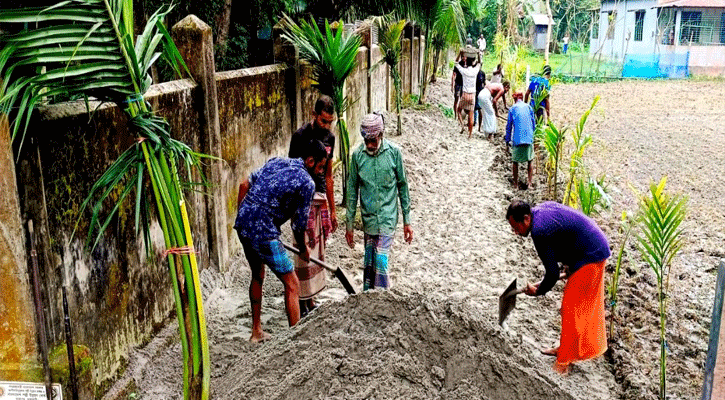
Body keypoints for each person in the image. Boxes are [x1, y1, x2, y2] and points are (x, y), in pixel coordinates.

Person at [234, 140, 328, 343]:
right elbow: (298, 225)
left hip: (243, 223)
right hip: (264, 231)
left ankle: (256, 331)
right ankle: (295, 343)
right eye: (320, 167)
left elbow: (244, 185)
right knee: (292, 283)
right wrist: (303, 249)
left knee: (257, 274)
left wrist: (242, 216)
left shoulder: (278, 161)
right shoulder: (307, 183)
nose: (321, 172)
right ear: (310, 161)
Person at [506, 200, 610, 374]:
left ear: (525, 219)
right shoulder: (539, 212)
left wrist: (538, 291)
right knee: (569, 308)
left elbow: (552, 274)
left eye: (516, 227)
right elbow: (566, 235)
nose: (516, 232)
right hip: (586, 249)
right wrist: (569, 266)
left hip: (591, 255)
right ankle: (565, 348)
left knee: (571, 308)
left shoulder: (539, 232)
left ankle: (564, 361)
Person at [346, 113, 413, 290]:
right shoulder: (357, 157)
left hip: (388, 218)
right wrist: (350, 224)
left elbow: (403, 186)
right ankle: (369, 297)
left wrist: (407, 221)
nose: (369, 145)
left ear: (381, 135)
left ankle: (384, 298)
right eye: (366, 141)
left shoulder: (394, 153)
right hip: (368, 219)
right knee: (369, 262)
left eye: (373, 141)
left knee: (381, 259)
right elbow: (352, 190)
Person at [288, 95, 338, 317]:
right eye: (323, 121)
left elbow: (328, 175)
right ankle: (302, 299)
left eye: (330, 122)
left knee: (318, 249)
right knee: (303, 249)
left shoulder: (330, 139)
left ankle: (312, 298)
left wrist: (333, 208)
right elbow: (292, 171)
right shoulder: (300, 137)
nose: (327, 127)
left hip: (320, 199)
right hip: (302, 199)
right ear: (314, 114)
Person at [505, 92, 536, 189]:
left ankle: (515, 184)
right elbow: (533, 123)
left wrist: (507, 140)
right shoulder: (529, 107)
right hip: (528, 138)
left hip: (517, 139)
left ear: (515, 99)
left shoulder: (512, 109)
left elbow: (509, 127)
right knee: (530, 160)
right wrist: (533, 136)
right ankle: (530, 183)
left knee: (515, 161)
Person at [454, 52, 481, 139]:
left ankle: (462, 125)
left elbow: (456, 63)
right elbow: (480, 63)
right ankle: (470, 135)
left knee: (458, 110)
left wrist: (460, 53)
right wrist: (478, 54)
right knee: (471, 115)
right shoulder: (475, 71)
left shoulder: (464, 71)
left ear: (466, 63)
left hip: (465, 94)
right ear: (472, 63)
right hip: (472, 95)